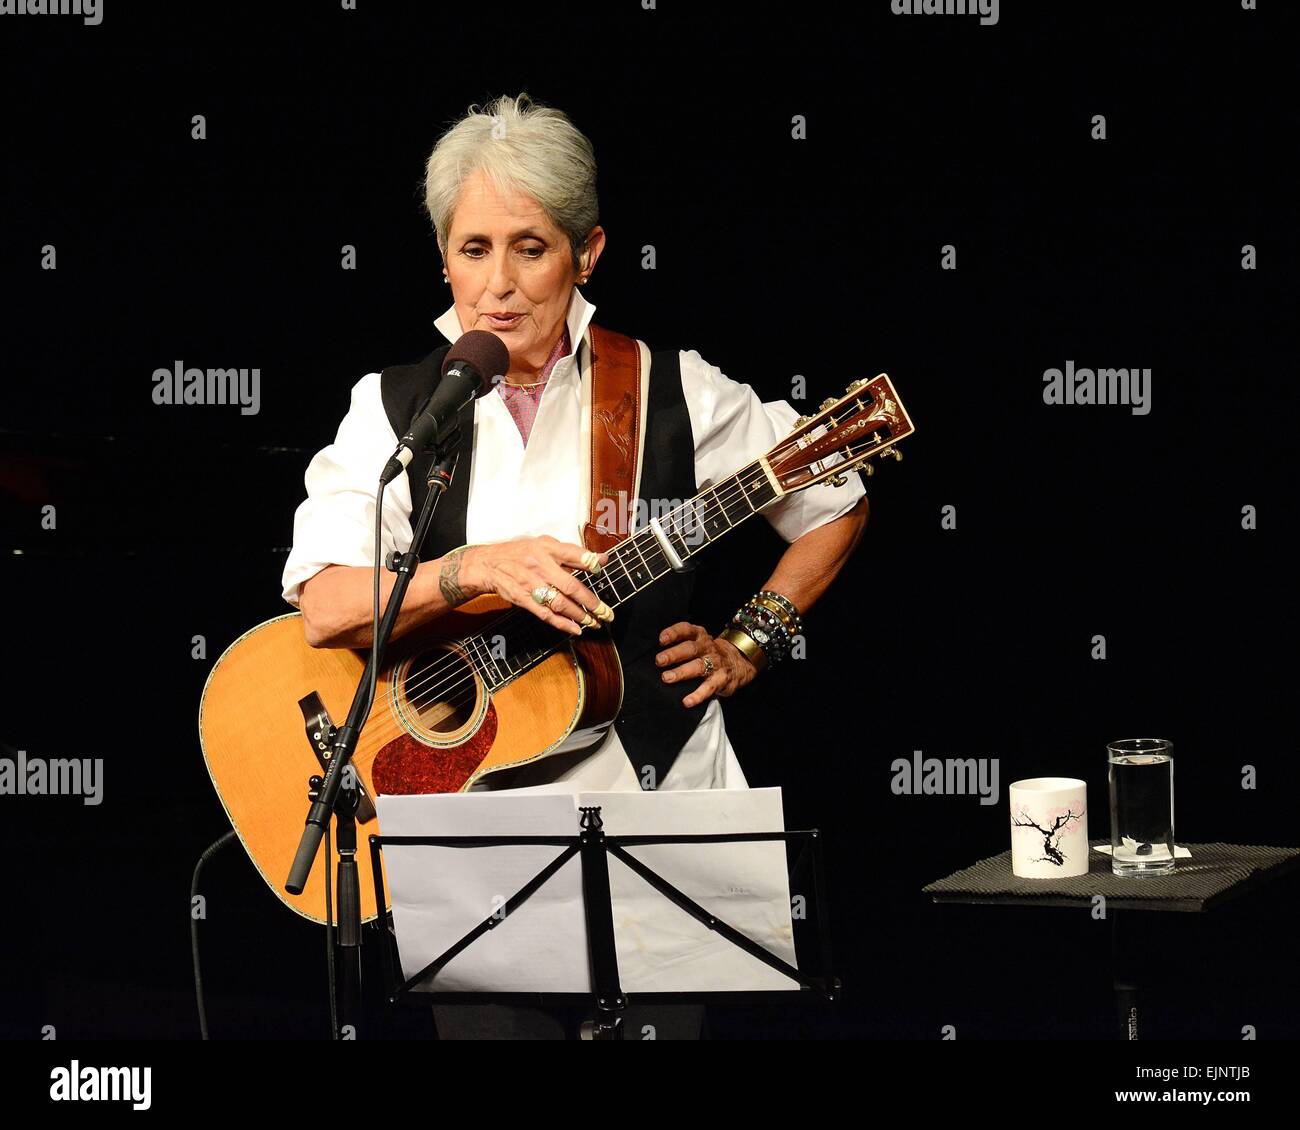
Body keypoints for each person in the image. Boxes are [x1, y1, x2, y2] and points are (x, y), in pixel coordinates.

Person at [279, 93, 869, 1037]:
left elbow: (834, 499)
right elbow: (327, 608)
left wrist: (756, 637)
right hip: (467, 834)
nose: (499, 285)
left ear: (587, 252)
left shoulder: (670, 386)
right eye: (474, 250)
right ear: (442, 258)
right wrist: (469, 571)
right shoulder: (394, 409)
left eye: (531, 246)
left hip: (657, 810)